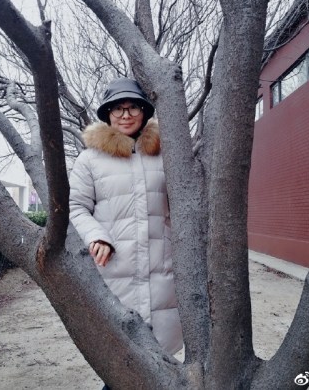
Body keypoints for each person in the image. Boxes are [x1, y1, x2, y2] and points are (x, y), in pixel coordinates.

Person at [69, 78, 183, 387]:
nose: (126, 114)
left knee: (162, 364)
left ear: (144, 111)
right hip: (115, 270)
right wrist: (97, 237)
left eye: (133, 107)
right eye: (117, 108)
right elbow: (76, 207)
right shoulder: (90, 159)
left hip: (163, 270)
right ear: (107, 114)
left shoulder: (166, 154)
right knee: (121, 365)